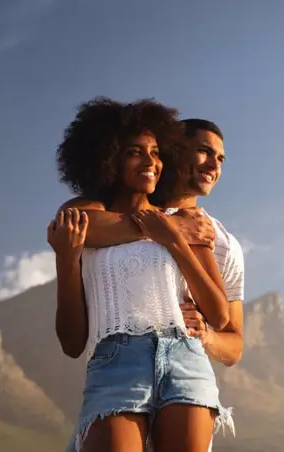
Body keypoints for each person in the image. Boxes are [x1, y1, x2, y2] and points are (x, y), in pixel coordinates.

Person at [48, 97, 238, 452]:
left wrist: (174, 239)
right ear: (109, 157)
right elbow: (72, 342)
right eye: (136, 152)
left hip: (185, 360)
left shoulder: (186, 224)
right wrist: (66, 258)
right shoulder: (84, 217)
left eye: (156, 152)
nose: (151, 162)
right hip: (116, 363)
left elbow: (220, 314)